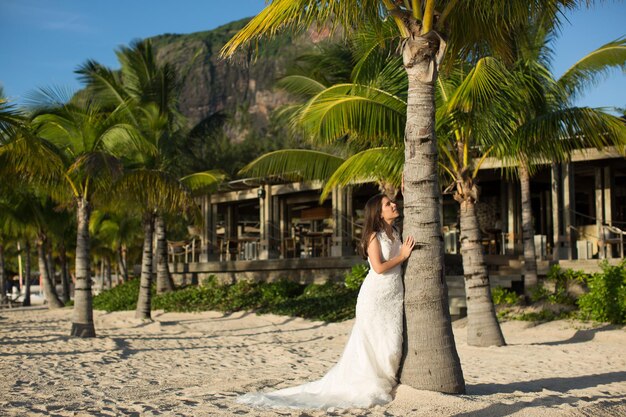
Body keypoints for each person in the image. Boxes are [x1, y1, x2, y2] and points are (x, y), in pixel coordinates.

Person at [237, 194, 415, 410]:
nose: (394, 205)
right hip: (375, 297)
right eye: (388, 204)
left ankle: (388, 378)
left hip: (394, 295)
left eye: (392, 202)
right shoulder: (373, 236)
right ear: (378, 212)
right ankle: (372, 383)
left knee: (391, 342)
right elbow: (378, 268)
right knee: (374, 342)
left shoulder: (395, 232)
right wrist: (403, 256)